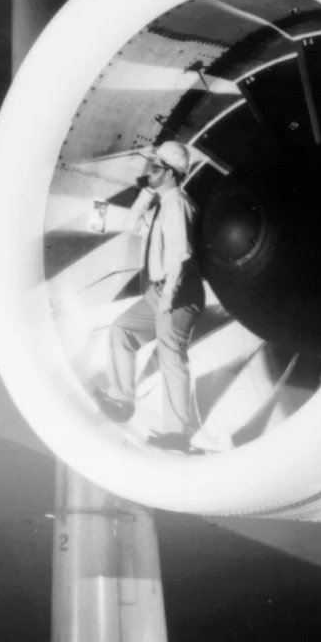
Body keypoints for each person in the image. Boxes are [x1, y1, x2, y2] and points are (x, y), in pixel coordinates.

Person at [96, 139, 203, 450]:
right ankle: (121, 399)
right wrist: (146, 194)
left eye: (155, 168)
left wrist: (169, 297)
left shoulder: (178, 204)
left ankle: (176, 435)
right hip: (161, 291)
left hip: (178, 291)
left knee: (172, 359)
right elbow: (131, 225)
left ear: (170, 173)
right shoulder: (164, 203)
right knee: (122, 330)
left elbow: (181, 255)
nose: (149, 172)